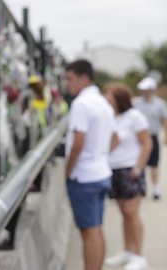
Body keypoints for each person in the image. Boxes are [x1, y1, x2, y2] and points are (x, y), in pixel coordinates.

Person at [65, 59, 117, 270]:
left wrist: (68, 172)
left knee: (88, 232)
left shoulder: (81, 103)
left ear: (83, 77)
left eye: (70, 78)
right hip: (100, 172)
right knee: (96, 229)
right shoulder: (103, 101)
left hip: (84, 176)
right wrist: (101, 156)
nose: (67, 84)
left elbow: (78, 142)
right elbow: (116, 137)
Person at [104, 83, 152, 270]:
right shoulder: (112, 117)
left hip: (130, 169)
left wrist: (138, 168)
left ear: (119, 98)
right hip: (114, 169)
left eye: (109, 96)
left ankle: (139, 255)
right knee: (124, 213)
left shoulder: (134, 116)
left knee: (132, 213)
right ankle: (127, 251)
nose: (106, 99)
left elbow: (147, 144)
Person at [132, 77, 167, 200]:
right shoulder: (135, 102)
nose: (143, 91)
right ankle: (141, 188)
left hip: (152, 136)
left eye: (145, 89)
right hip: (137, 137)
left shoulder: (160, 104)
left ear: (152, 90)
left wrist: (166, 135)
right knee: (139, 163)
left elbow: (164, 120)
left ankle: (156, 189)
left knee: (153, 164)